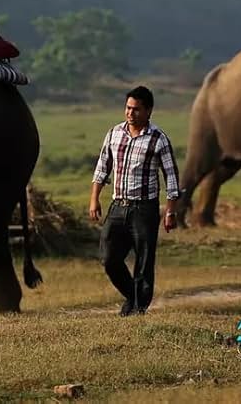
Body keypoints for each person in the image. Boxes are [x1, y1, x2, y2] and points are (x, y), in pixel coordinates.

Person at [88, 86, 180, 316]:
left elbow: (171, 176)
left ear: (148, 111)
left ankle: (138, 308)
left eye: (136, 109)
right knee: (108, 258)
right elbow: (102, 168)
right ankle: (132, 295)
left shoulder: (159, 140)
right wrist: (94, 199)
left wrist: (170, 211)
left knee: (144, 261)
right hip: (118, 206)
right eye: (128, 108)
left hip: (144, 209)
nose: (131, 113)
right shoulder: (114, 133)